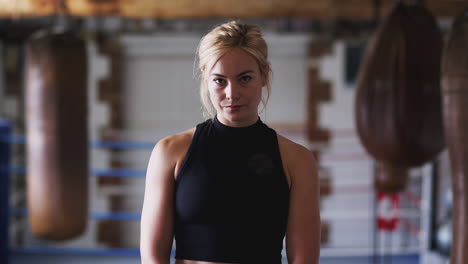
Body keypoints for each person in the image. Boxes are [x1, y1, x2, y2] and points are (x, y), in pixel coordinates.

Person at [140, 21, 320, 264]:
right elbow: (153, 257)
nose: (232, 93)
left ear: (264, 75)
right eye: (219, 80)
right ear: (206, 79)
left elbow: (305, 260)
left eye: (244, 78)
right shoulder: (170, 153)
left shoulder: (297, 160)